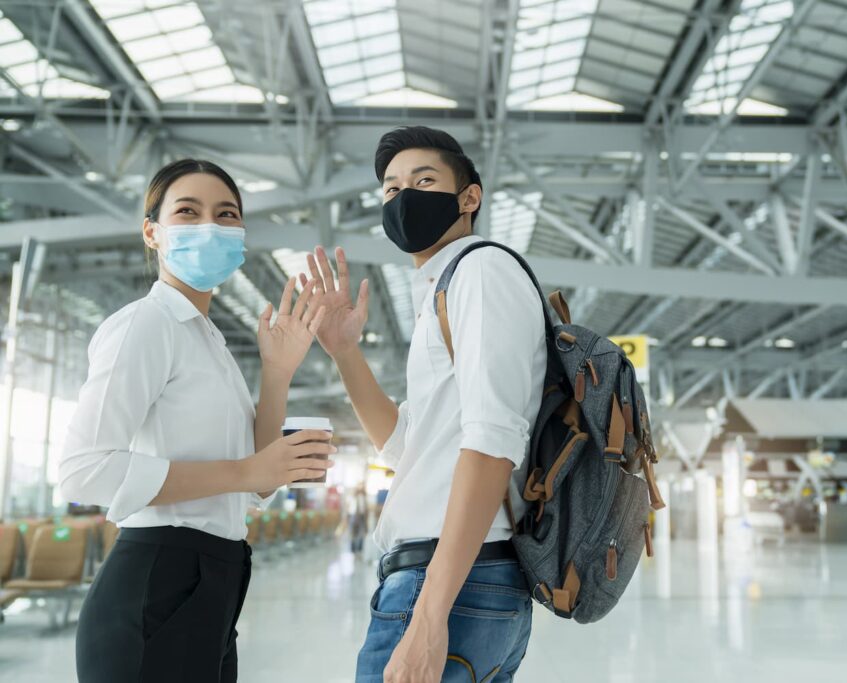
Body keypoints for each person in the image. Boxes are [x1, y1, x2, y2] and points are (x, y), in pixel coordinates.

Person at [61, 158, 334, 683]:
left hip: (214, 579)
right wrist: (243, 475)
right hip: (159, 578)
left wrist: (277, 374)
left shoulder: (206, 340)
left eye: (226, 214)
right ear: (152, 232)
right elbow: (83, 469)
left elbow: (256, 488)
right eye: (188, 212)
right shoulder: (147, 324)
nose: (210, 225)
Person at [301, 126, 546, 682]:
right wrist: (344, 353)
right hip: (457, 581)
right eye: (390, 189)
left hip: (446, 581)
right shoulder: (444, 286)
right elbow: (407, 446)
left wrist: (431, 615)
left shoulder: (480, 271)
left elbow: (492, 439)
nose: (403, 196)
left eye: (423, 180)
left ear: (469, 198)